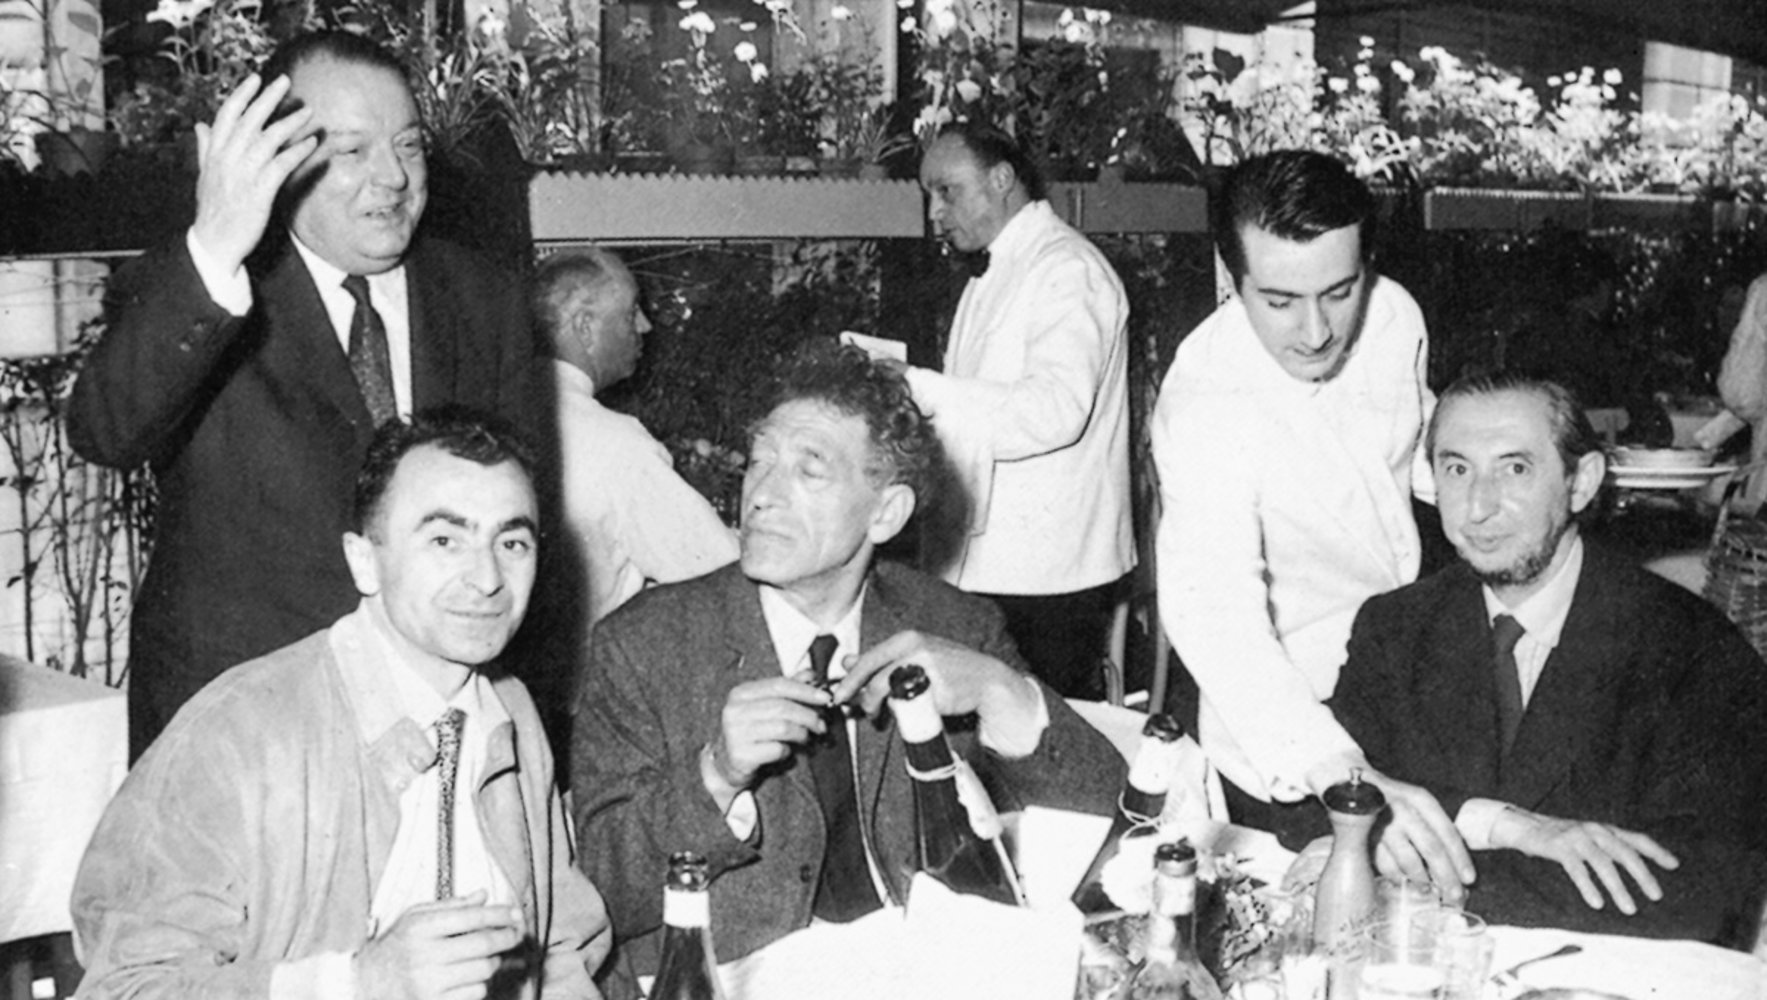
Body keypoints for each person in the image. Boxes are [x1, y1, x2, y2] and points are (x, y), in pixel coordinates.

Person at [571, 343, 1122, 996]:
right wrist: (714, 776)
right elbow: (602, 896)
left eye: (809, 471)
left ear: (885, 513)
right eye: (759, 462)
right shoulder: (644, 644)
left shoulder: (951, 625)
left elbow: (1111, 824)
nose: (762, 495)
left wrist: (1001, 692)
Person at [66, 30, 543, 760]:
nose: (392, 177)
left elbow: (520, 523)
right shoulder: (206, 285)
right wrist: (215, 248)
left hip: (434, 723)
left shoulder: (482, 299)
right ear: (280, 160)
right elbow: (103, 431)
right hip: (242, 732)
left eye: (409, 146)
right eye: (352, 151)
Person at [71, 412, 611, 999]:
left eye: (511, 543)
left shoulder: (509, 710)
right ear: (364, 561)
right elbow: (122, 988)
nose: (487, 579)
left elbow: (561, 947)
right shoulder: (240, 733)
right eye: (444, 540)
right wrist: (356, 983)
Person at [1330, 372, 1767, 942]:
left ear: (1581, 482)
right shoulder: (1395, 627)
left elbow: (1698, 891)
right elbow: (1313, 797)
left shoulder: (1691, 647)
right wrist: (1502, 829)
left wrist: (1402, 875)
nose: (1478, 507)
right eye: (1457, 469)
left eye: (1515, 469)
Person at [1150, 150, 1471, 889]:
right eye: (1280, 301)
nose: (1317, 330)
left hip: (1401, 668)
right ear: (1231, 279)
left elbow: (1412, 443)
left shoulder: (1394, 315)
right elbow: (1215, 610)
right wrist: (1337, 768)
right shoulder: (1205, 402)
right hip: (1288, 710)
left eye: (1338, 290)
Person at [902, 121, 1135, 700]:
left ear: (1002, 179)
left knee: (1044, 734)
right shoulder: (994, 272)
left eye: (947, 191)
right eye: (930, 195)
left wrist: (920, 388)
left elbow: (1055, 411)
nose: (935, 212)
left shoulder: (1068, 268)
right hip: (995, 563)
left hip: (1047, 574)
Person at [535, 247, 737, 632]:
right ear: (584, 327)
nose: (644, 326)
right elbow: (718, 571)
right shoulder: (614, 443)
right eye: (630, 313)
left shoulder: (491, 408)